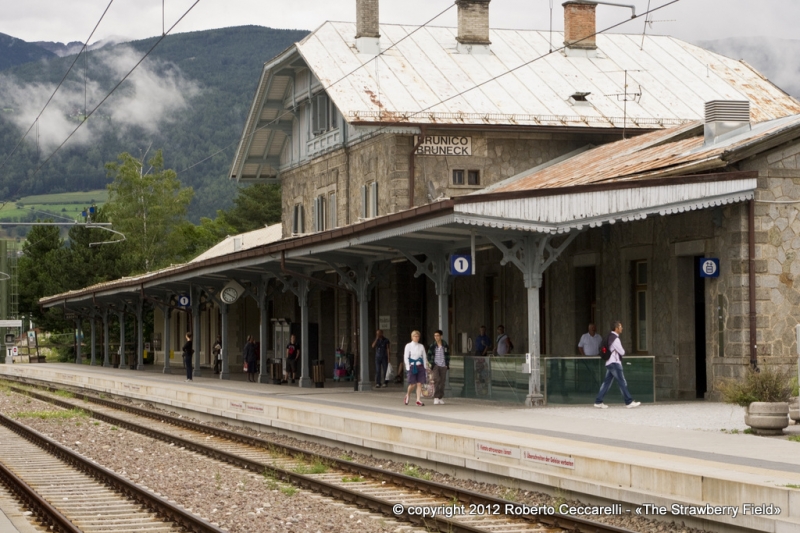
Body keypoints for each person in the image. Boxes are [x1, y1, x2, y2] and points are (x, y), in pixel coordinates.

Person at [594, 321, 641, 409]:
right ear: (616, 328)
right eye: (620, 327)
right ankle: (629, 401)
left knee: (607, 383)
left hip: (609, 362)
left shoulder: (609, 336)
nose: (622, 328)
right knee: (621, 382)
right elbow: (622, 352)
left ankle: (598, 401)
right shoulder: (615, 339)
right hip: (615, 363)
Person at [403, 330, 428, 406]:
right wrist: (407, 366)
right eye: (415, 336)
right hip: (412, 366)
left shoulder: (421, 346)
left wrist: (425, 367)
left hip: (420, 366)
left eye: (418, 336)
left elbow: (424, 357)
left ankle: (418, 400)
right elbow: (406, 357)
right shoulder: (408, 346)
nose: (416, 338)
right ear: (412, 337)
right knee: (412, 384)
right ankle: (408, 395)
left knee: (419, 383)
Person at [427, 330, 450, 405]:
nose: (436, 337)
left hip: (443, 365)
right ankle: (436, 397)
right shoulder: (432, 345)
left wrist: (447, 364)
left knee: (442, 382)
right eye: (435, 336)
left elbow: (447, 355)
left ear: (441, 336)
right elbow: (429, 355)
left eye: (437, 335)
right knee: (437, 380)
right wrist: (432, 363)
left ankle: (440, 397)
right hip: (436, 365)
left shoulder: (445, 344)